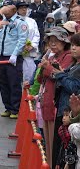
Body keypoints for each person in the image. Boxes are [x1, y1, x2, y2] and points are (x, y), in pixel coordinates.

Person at [37, 27, 73, 167]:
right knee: (48, 143)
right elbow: (40, 78)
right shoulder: (51, 57)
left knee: (55, 143)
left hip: (55, 105)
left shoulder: (68, 56)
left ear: (64, 42)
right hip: (46, 102)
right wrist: (44, 68)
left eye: (56, 41)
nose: (52, 44)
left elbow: (57, 76)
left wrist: (47, 68)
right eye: (50, 41)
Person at [0, 0, 29, 119]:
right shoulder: (1, 22)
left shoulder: (20, 23)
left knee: (14, 83)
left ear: (13, 9)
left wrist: (15, 54)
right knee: (3, 83)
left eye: (7, 7)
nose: (4, 10)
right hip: (1, 57)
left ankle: (15, 109)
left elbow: (22, 40)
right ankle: (7, 107)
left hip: (13, 58)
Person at [52, 33, 80, 167]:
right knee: (61, 151)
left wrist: (60, 75)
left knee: (68, 155)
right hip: (64, 110)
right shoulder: (74, 64)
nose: (73, 48)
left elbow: (74, 87)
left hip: (71, 113)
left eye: (77, 45)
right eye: (73, 45)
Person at [16, 0, 40, 83]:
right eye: (21, 8)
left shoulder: (32, 21)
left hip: (29, 52)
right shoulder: (13, 21)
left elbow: (36, 35)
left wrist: (32, 45)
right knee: (17, 78)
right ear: (17, 9)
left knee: (29, 76)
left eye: (25, 8)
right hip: (17, 53)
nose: (24, 10)